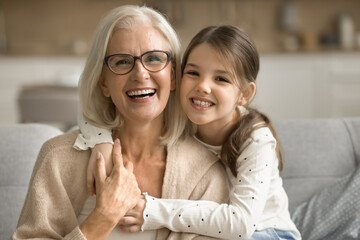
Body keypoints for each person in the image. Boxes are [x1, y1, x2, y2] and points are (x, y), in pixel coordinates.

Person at [11, 5, 229, 240]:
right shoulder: (58, 159)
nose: (140, 73)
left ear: (174, 76)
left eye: (154, 58)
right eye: (122, 62)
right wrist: (103, 217)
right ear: (103, 82)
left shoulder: (205, 174)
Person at [83, 25, 302, 240]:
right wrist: (102, 141)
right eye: (193, 73)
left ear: (244, 94)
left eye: (221, 79)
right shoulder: (186, 114)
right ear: (177, 77)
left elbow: (241, 225)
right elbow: (94, 111)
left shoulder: (256, 140)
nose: (203, 87)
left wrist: (154, 211)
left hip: (267, 233)